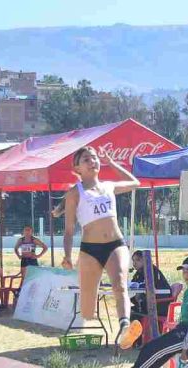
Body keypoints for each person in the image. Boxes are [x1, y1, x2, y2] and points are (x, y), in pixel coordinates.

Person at [62, 146, 143, 349]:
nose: (92, 161)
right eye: (86, 159)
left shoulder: (109, 186)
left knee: (120, 284)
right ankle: (90, 324)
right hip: (89, 249)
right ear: (77, 168)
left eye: (95, 158)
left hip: (115, 244)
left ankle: (125, 327)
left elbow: (135, 183)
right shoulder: (74, 193)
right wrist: (67, 256)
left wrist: (112, 163)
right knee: (88, 311)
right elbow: (69, 230)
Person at [129, 249, 172, 331]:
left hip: (159, 305)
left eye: (138, 260)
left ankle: (138, 340)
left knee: (134, 314)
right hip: (147, 304)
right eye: (133, 260)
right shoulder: (138, 273)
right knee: (130, 310)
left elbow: (148, 285)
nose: (134, 263)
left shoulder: (152, 271)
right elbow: (133, 285)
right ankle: (134, 340)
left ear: (145, 260)